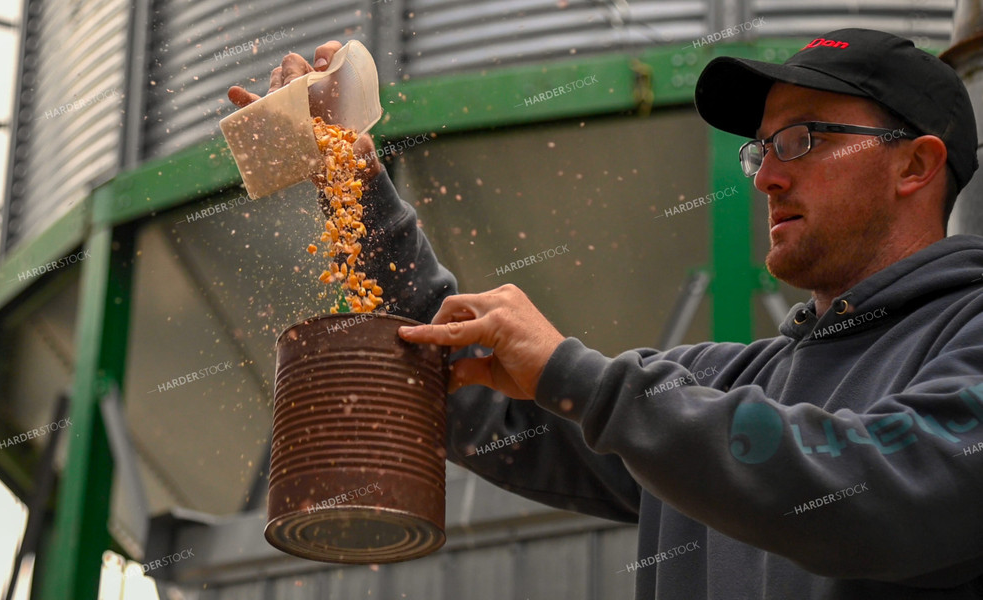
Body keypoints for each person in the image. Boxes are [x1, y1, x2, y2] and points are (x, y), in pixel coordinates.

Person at [229, 28, 983, 598]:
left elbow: (882, 486)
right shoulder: (713, 387)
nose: (768, 178)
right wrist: (346, 167)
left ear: (915, 165)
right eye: (762, 150)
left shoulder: (966, 335)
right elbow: (458, 354)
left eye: (804, 139)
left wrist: (580, 379)